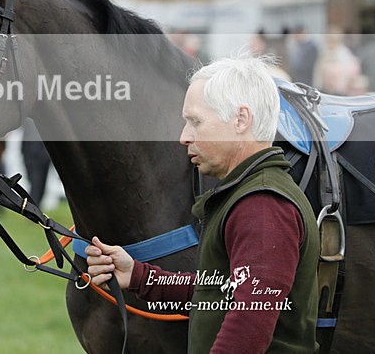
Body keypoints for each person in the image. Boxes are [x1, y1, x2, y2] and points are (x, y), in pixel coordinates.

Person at [86, 55, 319, 353]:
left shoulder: (262, 205)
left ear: (240, 120)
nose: (184, 137)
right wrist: (137, 276)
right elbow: (218, 290)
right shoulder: (248, 194)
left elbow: (248, 324)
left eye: (195, 122)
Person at [20, 118, 52, 205]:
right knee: (37, 186)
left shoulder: (29, 120)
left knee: (38, 186)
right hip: (35, 156)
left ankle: (34, 208)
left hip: (37, 156)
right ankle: (33, 208)